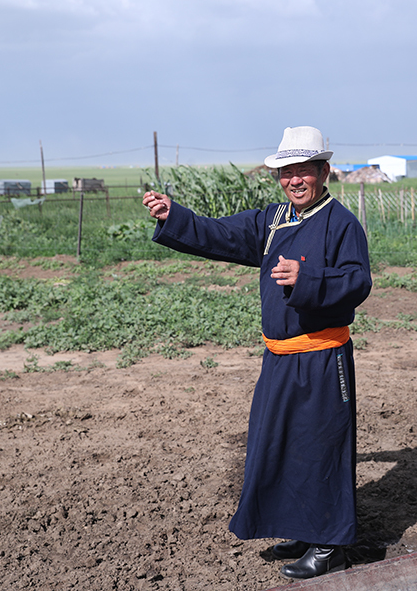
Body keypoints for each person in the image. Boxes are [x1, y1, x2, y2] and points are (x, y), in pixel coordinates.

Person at [142, 126, 371, 580]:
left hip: (322, 358)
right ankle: (302, 529)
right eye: (286, 173)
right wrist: (174, 216)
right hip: (279, 358)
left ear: (324, 172)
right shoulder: (273, 220)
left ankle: (329, 546)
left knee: (321, 447)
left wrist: (306, 279)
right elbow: (221, 234)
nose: (294, 180)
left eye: (304, 171)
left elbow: (357, 281)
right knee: (283, 445)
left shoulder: (341, 223)